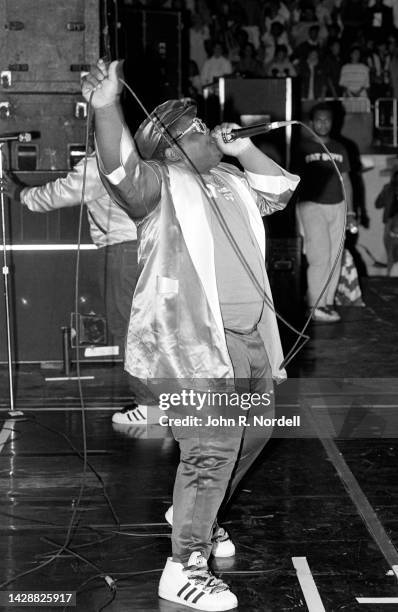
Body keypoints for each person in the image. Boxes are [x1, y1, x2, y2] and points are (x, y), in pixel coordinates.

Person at [82, 58, 299, 611]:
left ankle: (193, 513)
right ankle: (184, 568)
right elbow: (120, 170)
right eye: (197, 129)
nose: (210, 130)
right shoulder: (161, 187)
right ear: (172, 148)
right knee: (211, 450)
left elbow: (277, 191)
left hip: (250, 339)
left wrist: (243, 150)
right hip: (196, 347)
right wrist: (106, 106)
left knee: (254, 436)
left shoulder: (230, 180)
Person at [3, 154, 146, 425]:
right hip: (149, 245)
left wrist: (21, 193)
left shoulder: (104, 160)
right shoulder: (138, 154)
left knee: (129, 328)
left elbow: (61, 193)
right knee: (149, 326)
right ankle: (166, 400)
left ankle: (150, 404)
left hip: (123, 248)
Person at [295, 102, 356, 323]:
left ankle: (326, 302)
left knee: (335, 257)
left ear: (333, 122)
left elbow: (347, 181)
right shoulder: (301, 147)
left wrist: (351, 212)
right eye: (318, 119)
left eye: (327, 119)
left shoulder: (340, 148)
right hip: (312, 205)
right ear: (311, 122)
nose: (323, 123)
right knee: (319, 256)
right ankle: (315, 304)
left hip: (338, 206)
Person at [375, 169, 398, 274]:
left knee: (390, 256)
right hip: (390, 223)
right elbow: (378, 204)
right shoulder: (387, 189)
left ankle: (390, 278)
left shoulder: (387, 188)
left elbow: (378, 204)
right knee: (390, 255)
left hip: (389, 223)